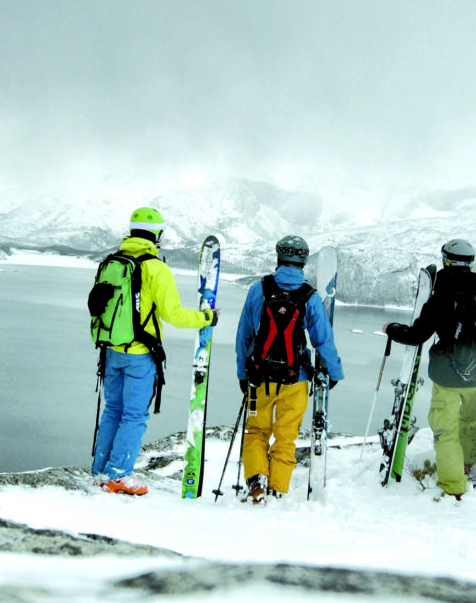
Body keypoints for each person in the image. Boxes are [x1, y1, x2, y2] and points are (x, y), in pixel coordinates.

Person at [91, 206, 218, 495]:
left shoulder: (112, 262)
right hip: (139, 354)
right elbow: (173, 314)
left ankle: (100, 473)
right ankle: (118, 475)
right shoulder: (155, 267)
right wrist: (207, 318)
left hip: (110, 351)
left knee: (112, 410)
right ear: (157, 234)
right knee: (134, 416)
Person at [383, 238, 476, 500]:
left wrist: (391, 329)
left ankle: (453, 486)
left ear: (446, 260)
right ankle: (467, 465)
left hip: (448, 377)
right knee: (473, 422)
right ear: (470, 263)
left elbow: (417, 336)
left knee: (446, 432)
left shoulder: (441, 298)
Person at [235, 235, 344, 503]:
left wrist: (242, 373)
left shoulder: (258, 290)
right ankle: (278, 489)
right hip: (296, 379)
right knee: (286, 438)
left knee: (256, 432)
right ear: (303, 261)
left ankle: (256, 481)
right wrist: (335, 373)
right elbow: (323, 341)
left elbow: (244, 337)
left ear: (278, 257)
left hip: (260, 377)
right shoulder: (310, 296)